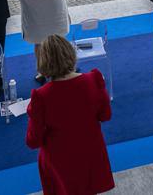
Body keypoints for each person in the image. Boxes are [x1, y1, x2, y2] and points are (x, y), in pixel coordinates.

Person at [26, 35, 114, 195]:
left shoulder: (41, 96)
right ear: (70, 54)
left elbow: (33, 141)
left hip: (60, 161)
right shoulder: (93, 80)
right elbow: (105, 115)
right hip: (90, 153)